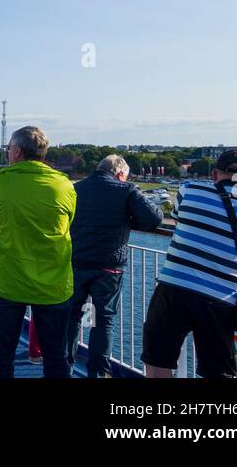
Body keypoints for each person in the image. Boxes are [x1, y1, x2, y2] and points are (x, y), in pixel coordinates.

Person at [143, 148, 237, 379]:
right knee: (218, 372)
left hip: (173, 289)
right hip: (221, 299)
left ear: (215, 174)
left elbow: (178, 215)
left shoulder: (189, 191)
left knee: (157, 362)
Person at [0, 126, 77, 378]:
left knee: (2, 355)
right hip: (52, 283)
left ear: (18, 151)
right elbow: (69, 220)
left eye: (9, 148)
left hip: (5, 279)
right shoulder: (64, 185)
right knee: (55, 357)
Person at [65, 154, 163, 377]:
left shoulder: (76, 188)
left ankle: (63, 368)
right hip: (109, 267)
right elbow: (154, 218)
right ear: (120, 174)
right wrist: (128, 218)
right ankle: (97, 373)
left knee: (71, 317)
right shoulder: (126, 190)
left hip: (75, 263)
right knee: (102, 321)